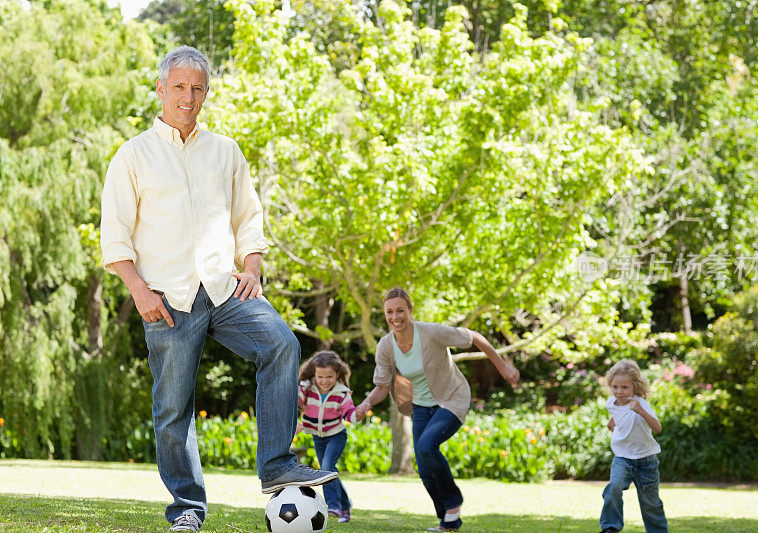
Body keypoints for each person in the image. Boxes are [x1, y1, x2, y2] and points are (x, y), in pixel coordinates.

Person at [99, 45, 336, 532]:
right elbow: (115, 235)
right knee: (172, 410)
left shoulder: (225, 151)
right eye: (179, 87)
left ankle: (276, 466)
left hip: (226, 289)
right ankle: (187, 507)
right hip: (166, 299)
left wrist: (253, 267)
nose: (188, 97)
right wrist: (139, 291)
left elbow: (248, 218)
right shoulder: (133, 156)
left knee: (281, 344)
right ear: (160, 89)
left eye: (197, 88)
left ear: (206, 93)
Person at [354, 288, 519, 532]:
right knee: (424, 468)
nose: (395, 316)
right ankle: (448, 520)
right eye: (390, 312)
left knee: (426, 446)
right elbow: (381, 386)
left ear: (410, 310)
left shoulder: (430, 332)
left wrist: (503, 367)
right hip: (421, 406)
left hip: (451, 399)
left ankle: (453, 503)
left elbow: (474, 337)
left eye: (400, 310)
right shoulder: (386, 346)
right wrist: (367, 402)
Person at [599, 359, 669, 533]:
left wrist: (641, 411)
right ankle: (610, 527)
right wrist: (611, 422)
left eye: (624, 387)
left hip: (647, 461)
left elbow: (658, 428)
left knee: (651, 504)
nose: (619, 392)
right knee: (614, 487)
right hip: (623, 458)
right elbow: (619, 412)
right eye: (615, 387)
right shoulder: (611, 403)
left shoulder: (640, 403)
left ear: (635, 387)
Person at [296, 351, 359, 523]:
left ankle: (333, 506)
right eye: (320, 376)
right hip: (318, 436)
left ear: (337, 375)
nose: (324, 381)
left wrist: (356, 415)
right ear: (314, 374)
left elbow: (349, 413)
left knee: (327, 467)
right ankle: (345, 506)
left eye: (329, 377)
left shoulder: (342, 392)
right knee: (328, 472)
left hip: (336, 435)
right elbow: (297, 402)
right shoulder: (307, 388)